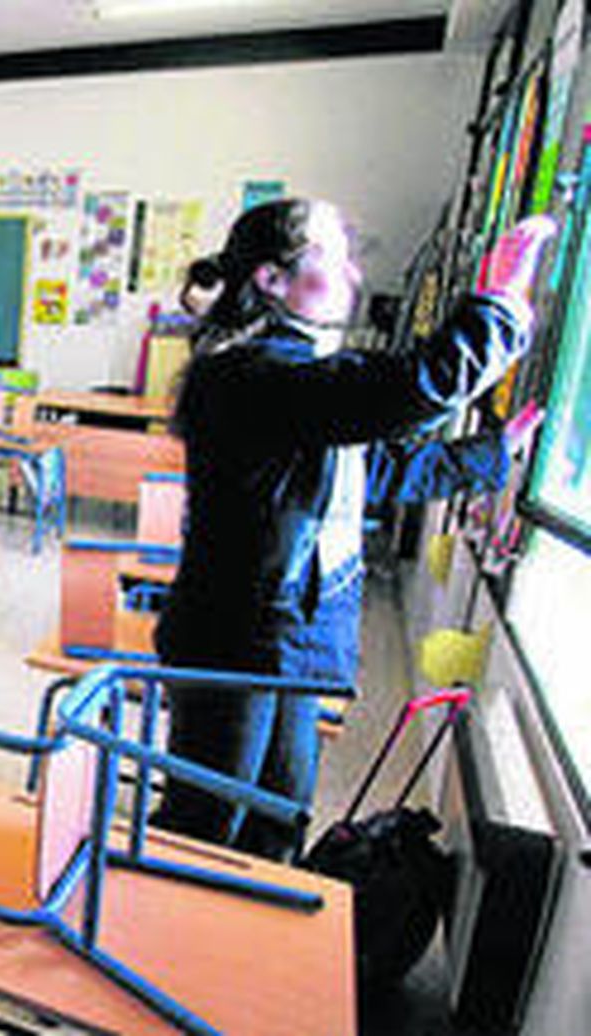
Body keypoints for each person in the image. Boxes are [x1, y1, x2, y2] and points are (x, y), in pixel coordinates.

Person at [152, 199, 554, 860]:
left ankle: (249, 954)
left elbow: (373, 472)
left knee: (277, 821)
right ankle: (168, 952)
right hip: (237, 638)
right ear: (270, 280)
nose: (352, 276)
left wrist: (492, 452)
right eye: (330, 258)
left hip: (283, 639)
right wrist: (497, 305)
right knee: (208, 826)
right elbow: (403, 389)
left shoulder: (292, 373)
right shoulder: (249, 372)